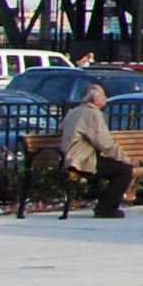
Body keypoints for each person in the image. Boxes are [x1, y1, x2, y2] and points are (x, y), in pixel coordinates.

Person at [59, 87, 133, 218]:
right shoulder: (91, 114)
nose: (105, 98)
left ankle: (104, 203)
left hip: (70, 157)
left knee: (115, 167)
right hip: (80, 161)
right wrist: (125, 159)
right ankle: (106, 208)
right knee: (124, 170)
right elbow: (105, 142)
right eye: (103, 96)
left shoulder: (75, 111)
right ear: (95, 99)